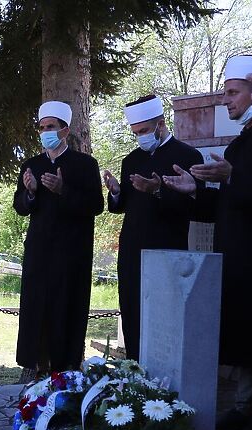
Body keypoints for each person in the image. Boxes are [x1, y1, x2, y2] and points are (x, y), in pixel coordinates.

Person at [162, 55, 252, 430]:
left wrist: (234, 176)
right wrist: (196, 192)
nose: (226, 100)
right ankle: (246, 406)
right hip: (241, 252)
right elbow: (232, 201)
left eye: (232, 92)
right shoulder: (245, 139)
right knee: (247, 331)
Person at [103, 95, 203, 360]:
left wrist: (158, 191)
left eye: (144, 131)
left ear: (161, 124)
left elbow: (193, 207)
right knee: (132, 311)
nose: (140, 137)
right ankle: (134, 369)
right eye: (136, 132)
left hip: (167, 248)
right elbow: (122, 205)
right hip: (132, 250)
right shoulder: (131, 160)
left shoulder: (187, 156)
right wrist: (115, 192)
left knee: (164, 317)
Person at [13, 101, 104, 379]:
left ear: (64, 131)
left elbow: (96, 205)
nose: (44, 132)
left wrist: (63, 190)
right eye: (41, 128)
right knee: (36, 307)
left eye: (50, 127)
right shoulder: (32, 165)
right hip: (39, 252)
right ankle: (36, 366)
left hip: (71, 253)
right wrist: (30, 192)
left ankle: (65, 368)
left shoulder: (85, 164)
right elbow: (19, 206)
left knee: (66, 306)